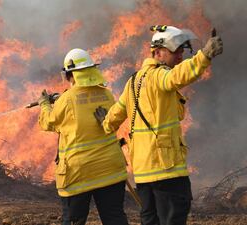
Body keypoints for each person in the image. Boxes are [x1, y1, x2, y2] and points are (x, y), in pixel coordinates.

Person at [94, 25, 223, 225]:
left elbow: (114, 117)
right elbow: (178, 76)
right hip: (167, 171)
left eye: (182, 50)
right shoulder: (160, 76)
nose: (180, 55)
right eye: (175, 51)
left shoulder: (133, 81)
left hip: (144, 175)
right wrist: (204, 55)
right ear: (157, 52)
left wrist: (105, 122)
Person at [38, 48, 129, 225]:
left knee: (74, 221)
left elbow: (48, 122)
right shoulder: (106, 94)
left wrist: (44, 104)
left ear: (70, 74)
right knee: (114, 218)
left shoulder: (67, 99)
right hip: (110, 171)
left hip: (79, 175)